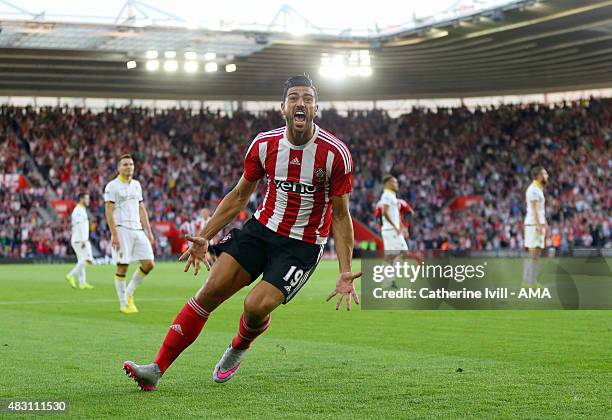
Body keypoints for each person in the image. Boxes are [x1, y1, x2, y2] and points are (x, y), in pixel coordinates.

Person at [123, 74, 361, 392]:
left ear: (316, 108)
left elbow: (342, 216)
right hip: (261, 229)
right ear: (283, 107)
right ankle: (155, 369)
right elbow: (238, 196)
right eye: (294, 97)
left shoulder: (335, 154)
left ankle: (239, 345)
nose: (300, 103)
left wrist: (345, 270)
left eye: (307, 98)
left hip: (302, 245)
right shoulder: (264, 144)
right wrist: (205, 235)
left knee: (254, 306)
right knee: (208, 292)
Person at [104, 154, 155, 314]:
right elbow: (109, 211)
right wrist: (114, 234)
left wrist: (149, 231)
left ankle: (129, 292)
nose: (129, 167)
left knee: (149, 264)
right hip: (122, 228)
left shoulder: (137, 185)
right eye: (125, 164)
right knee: (123, 266)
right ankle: (123, 302)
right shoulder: (112, 186)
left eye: (131, 164)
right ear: (119, 168)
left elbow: (141, 208)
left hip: (137, 229)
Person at [522, 167, 550, 287]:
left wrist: (545, 225)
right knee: (533, 253)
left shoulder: (538, 189)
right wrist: (539, 225)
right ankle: (527, 282)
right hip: (533, 224)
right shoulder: (533, 190)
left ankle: (531, 281)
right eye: (545, 173)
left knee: (536, 254)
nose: (547, 175)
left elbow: (540, 210)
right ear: (539, 176)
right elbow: (534, 209)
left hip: (537, 223)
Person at [65, 192, 94, 289]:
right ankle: (71, 275)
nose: (88, 201)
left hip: (80, 239)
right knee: (88, 260)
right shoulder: (78, 211)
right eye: (86, 199)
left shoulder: (82, 210)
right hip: (80, 240)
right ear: (81, 199)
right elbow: (79, 226)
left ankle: (82, 283)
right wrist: (83, 240)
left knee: (81, 261)